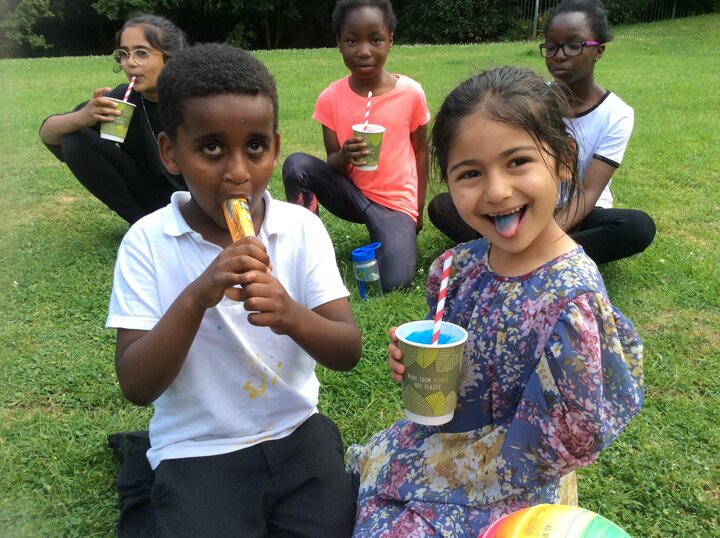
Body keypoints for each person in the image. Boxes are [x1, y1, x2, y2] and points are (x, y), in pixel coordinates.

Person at [347, 66, 644, 537]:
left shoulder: (572, 301)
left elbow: (562, 439)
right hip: (440, 438)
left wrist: (438, 468)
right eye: (470, 173)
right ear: (447, 182)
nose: (497, 191)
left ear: (564, 161)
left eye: (518, 162)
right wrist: (417, 362)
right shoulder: (456, 268)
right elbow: (456, 356)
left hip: (513, 480)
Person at [106, 43, 360, 536]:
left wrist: (291, 314)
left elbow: (347, 350)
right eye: (212, 148)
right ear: (170, 152)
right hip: (199, 446)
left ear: (276, 147)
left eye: (255, 147)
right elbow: (137, 385)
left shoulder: (301, 229)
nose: (239, 172)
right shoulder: (148, 241)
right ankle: (146, 464)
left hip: (294, 429)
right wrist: (198, 295)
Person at [427, 0, 655, 265]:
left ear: (598, 51)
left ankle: (515, 252)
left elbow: (588, 192)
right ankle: (525, 251)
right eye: (552, 46)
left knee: (637, 227)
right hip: (515, 203)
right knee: (442, 206)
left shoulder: (617, 113)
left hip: (579, 213)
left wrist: (542, 235)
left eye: (574, 45)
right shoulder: (529, 100)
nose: (560, 55)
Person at [282, 0, 430, 292]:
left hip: (394, 204)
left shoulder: (411, 94)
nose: (364, 51)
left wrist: (418, 209)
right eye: (352, 41)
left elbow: (420, 151)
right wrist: (345, 155)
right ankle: (307, 246)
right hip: (350, 195)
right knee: (297, 165)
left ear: (390, 41)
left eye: (375, 40)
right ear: (339, 43)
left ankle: (388, 235)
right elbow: (333, 163)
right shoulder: (330, 98)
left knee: (395, 282)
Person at [39, 13, 188, 224]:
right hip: (151, 201)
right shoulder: (124, 98)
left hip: (197, 201)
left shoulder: (196, 98)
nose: (130, 63)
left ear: (170, 57)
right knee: (74, 138)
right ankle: (140, 224)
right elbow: (48, 133)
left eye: (141, 53)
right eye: (124, 53)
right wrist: (83, 116)